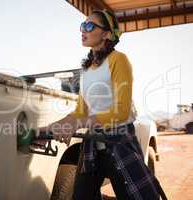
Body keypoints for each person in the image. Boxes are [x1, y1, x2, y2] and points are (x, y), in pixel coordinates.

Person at [38, 9, 166, 200]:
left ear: (106, 33)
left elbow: (121, 112)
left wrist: (77, 123)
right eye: (83, 26)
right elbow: (80, 111)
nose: (83, 30)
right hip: (92, 144)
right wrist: (49, 129)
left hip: (119, 142)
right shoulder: (88, 70)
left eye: (89, 26)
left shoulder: (118, 60)